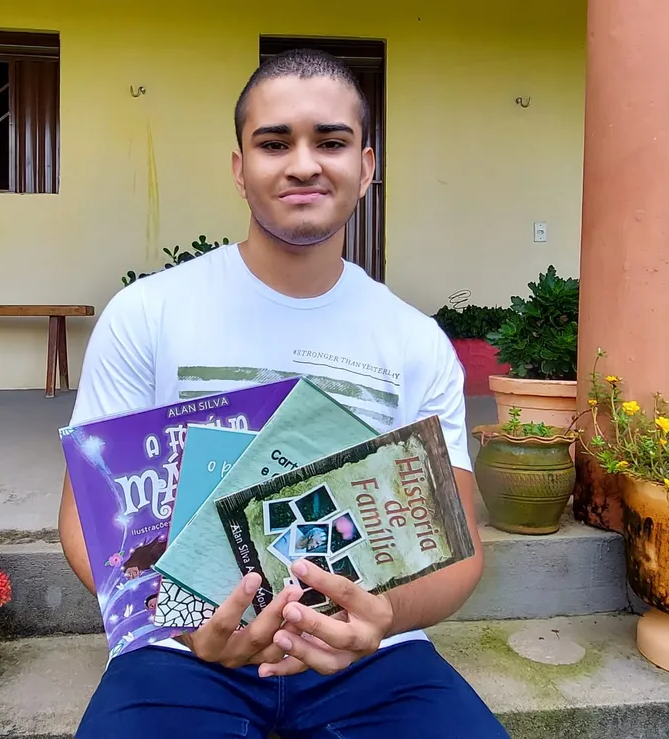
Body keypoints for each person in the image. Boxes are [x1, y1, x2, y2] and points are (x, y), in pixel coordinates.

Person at [58, 47, 510, 739]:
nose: (303, 163)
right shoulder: (147, 315)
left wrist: (379, 618)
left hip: (371, 657)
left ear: (366, 165)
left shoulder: (414, 342)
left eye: (331, 141)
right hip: (183, 652)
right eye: (275, 143)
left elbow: (461, 547)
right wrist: (184, 624)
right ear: (240, 168)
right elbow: (87, 521)